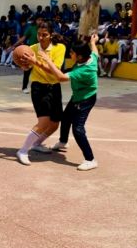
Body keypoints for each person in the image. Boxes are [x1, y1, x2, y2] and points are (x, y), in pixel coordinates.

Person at [37, 35, 100, 171]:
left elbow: (60, 77)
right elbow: (95, 52)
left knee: (77, 129)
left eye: (72, 53)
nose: (70, 53)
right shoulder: (91, 58)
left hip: (85, 100)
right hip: (78, 96)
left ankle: (90, 159)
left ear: (80, 56)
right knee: (65, 118)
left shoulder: (84, 70)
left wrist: (48, 60)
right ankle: (63, 142)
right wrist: (93, 41)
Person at [15, 22, 66, 166]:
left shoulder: (59, 48)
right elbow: (26, 67)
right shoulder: (31, 49)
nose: (41, 37)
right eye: (39, 34)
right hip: (39, 88)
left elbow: (54, 70)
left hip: (54, 87)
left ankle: (37, 143)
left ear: (51, 35)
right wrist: (23, 65)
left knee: (55, 123)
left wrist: (34, 61)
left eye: (45, 35)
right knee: (43, 122)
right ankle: (23, 151)